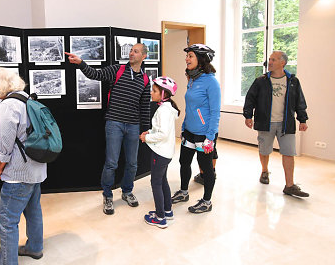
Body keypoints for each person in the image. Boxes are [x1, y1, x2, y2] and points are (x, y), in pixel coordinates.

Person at [65, 43, 151, 215]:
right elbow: (95, 74)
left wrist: (145, 129)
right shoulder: (117, 70)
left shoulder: (146, 79)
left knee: (132, 164)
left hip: (133, 126)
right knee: (111, 163)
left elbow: (145, 107)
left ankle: (127, 192)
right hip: (115, 123)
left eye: (136, 51)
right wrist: (81, 63)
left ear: (144, 56)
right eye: (131, 50)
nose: (131, 53)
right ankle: (107, 195)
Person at [0, 68, 47, 264]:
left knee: (7, 221)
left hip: (18, 173)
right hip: (36, 167)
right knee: (33, 210)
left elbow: (5, 143)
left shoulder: (8, 105)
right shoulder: (28, 99)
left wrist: (0, 167)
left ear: (2, 86)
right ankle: (35, 248)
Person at [243, 51, 309, 197]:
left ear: (282, 62)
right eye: (270, 59)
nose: (270, 62)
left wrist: (302, 119)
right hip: (266, 122)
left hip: (286, 124)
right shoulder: (261, 81)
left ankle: (289, 185)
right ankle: (265, 170)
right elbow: (250, 99)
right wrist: (248, 115)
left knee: (288, 153)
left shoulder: (293, 81)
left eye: (273, 59)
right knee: (264, 151)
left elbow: (300, 101)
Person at [171, 44, 221, 213]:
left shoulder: (211, 82)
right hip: (190, 132)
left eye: (190, 56)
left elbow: (215, 112)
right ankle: (184, 192)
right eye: (187, 56)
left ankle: (207, 202)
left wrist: (210, 137)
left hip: (204, 134)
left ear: (201, 59)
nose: (187, 59)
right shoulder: (192, 79)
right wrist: (184, 126)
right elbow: (191, 106)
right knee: (184, 162)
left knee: (206, 168)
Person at [139, 76, 180, 228]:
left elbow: (162, 134)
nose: (151, 93)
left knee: (155, 183)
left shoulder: (163, 110)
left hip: (160, 153)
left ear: (163, 94)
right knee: (163, 181)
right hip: (166, 152)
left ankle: (160, 217)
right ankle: (167, 211)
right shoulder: (167, 108)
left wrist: (146, 137)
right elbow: (162, 130)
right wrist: (149, 132)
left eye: (154, 91)